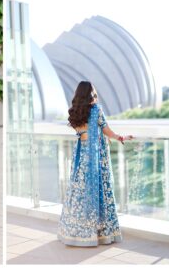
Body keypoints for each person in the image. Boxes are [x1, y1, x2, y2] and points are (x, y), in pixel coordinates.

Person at [58, 81, 131, 246]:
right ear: (91, 95)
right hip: (95, 159)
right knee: (99, 191)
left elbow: (81, 132)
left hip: (81, 157)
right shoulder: (97, 110)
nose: (96, 97)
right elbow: (107, 131)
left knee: (79, 193)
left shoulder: (75, 112)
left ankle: (76, 233)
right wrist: (121, 137)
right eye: (95, 94)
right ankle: (100, 233)